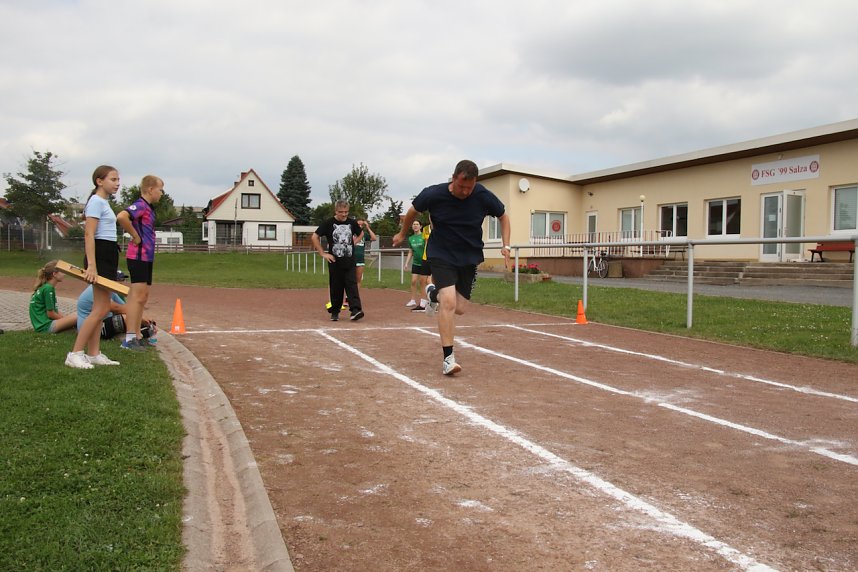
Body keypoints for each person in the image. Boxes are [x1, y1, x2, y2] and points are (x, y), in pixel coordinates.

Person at [393, 160, 511, 375]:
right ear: (453, 178)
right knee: (448, 302)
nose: (465, 191)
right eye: (461, 186)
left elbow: (503, 217)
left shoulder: (482, 195)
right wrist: (402, 233)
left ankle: (432, 293)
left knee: (460, 308)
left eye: (470, 187)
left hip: (469, 256)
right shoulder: (434, 194)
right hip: (442, 253)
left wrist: (506, 246)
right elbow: (412, 211)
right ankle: (448, 358)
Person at [66, 165, 122, 369]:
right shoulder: (96, 202)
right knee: (99, 309)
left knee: (103, 308)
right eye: (113, 179)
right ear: (99, 181)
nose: (117, 183)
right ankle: (75, 353)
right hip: (99, 256)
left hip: (108, 255)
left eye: (118, 180)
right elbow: (89, 234)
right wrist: (92, 266)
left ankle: (93, 353)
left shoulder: (103, 203)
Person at [116, 175, 164, 351]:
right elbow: (122, 216)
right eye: (160, 189)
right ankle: (129, 339)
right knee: (136, 297)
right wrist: (135, 236)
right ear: (150, 189)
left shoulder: (149, 209)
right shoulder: (141, 205)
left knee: (142, 297)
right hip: (137, 256)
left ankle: (136, 334)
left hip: (146, 257)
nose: (161, 194)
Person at [311, 200, 365, 322]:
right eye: (341, 212)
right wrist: (322, 253)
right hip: (335, 260)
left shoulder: (352, 223)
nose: (344, 215)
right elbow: (314, 237)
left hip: (349, 260)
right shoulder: (328, 223)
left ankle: (356, 310)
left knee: (352, 285)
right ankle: (335, 312)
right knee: (336, 286)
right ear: (336, 211)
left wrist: (353, 243)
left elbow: (361, 234)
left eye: (346, 212)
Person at [29, 260, 78, 333]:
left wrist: (66, 320)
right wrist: (65, 320)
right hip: (46, 326)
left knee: (76, 315)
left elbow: (54, 311)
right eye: (62, 272)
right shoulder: (48, 289)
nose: (64, 274)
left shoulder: (45, 287)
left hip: (42, 325)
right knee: (79, 316)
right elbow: (51, 314)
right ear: (54, 274)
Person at [403, 220, 430, 310]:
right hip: (416, 263)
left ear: (420, 226)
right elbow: (411, 252)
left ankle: (429, 300)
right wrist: (406, 263)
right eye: (413, 224)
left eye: (417, 224)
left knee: (426, 282)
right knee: (414, 281)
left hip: (425, 262)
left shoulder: (424, 236)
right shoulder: (411, 238)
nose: (415, 226)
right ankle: (413, 300)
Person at [353, 218, 377, 287]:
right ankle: (348, 296)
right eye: (358, 225)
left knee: (358, 280)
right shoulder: (351, 233)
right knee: (350, 280)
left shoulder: (364, 234)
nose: (360, 226)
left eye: (361, 225)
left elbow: (374, 238)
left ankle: (355, 297)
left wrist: (368, 227)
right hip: (351, 259)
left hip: (360, 259)